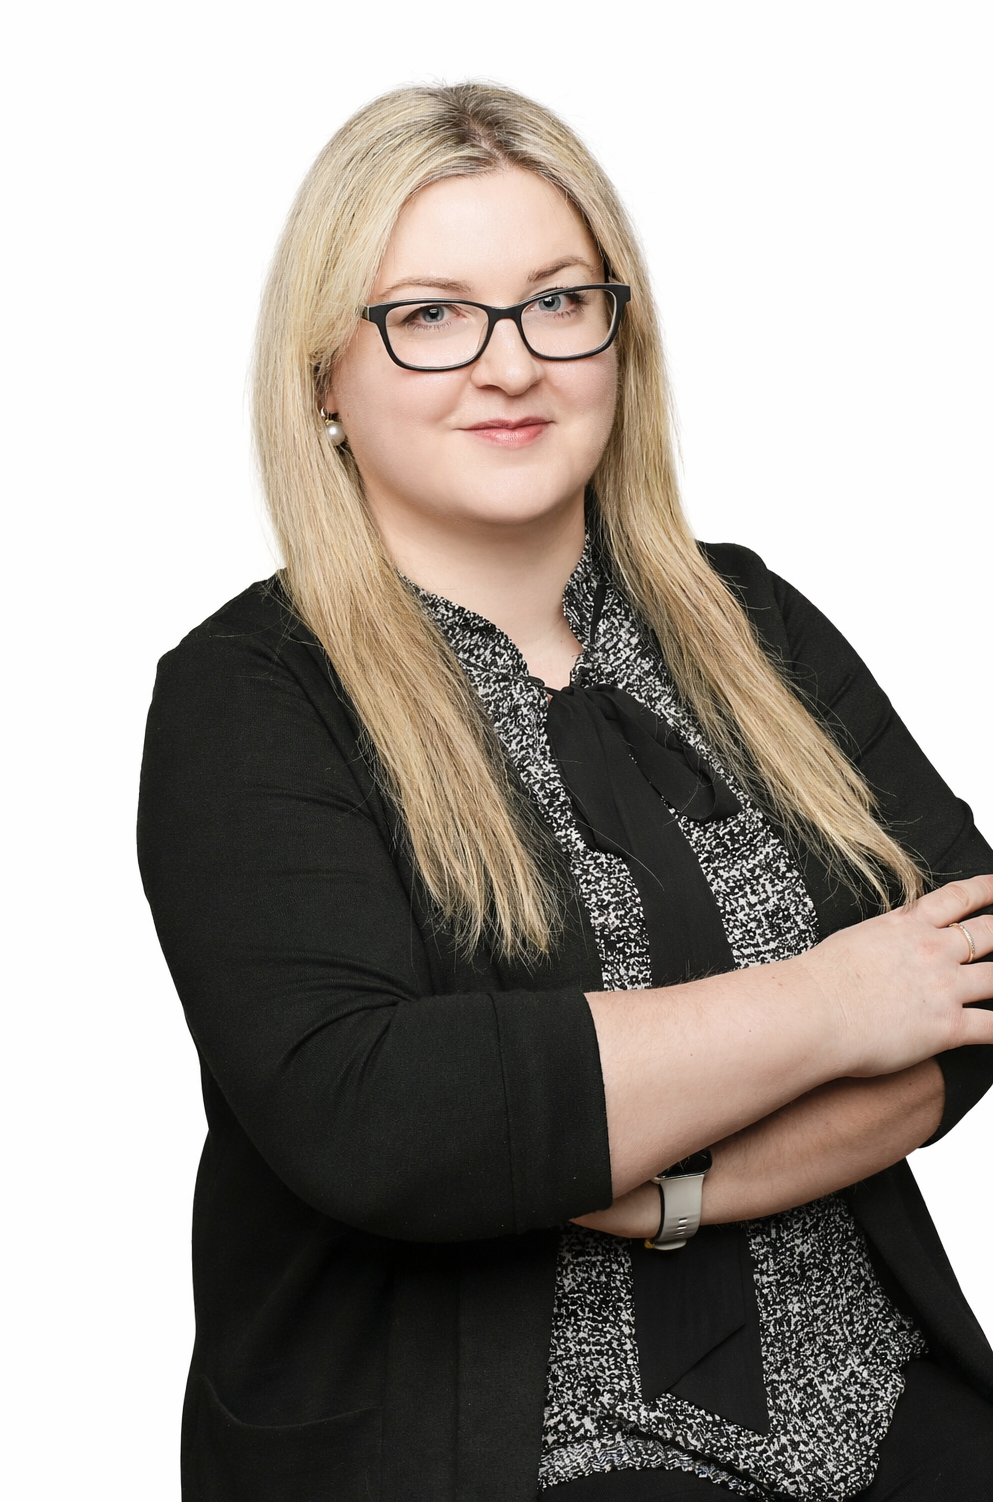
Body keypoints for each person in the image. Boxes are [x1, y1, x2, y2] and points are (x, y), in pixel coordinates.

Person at [137, 84, 993, 1502]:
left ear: (619, 335)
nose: (509, 364)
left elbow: (967, 977)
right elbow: (375, 1113)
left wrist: (668, 1190)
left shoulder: (753, 619)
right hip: (495, 1446)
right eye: (430, 314)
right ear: (322, 380)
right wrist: (835, 1004)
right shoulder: (251, 695)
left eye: (556, 303)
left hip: (879, 1405)